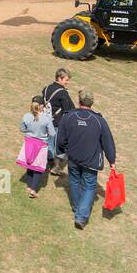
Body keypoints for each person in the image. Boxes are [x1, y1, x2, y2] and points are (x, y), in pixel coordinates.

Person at [55, 90, 117, 230]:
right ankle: (81, 216)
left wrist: (64, 150)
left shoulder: (69, 117)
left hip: (73, 158)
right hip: (91, 161)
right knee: (89, 186)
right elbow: (108, 142)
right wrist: (112, 160)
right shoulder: (99, 121)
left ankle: (77, 208)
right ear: (92, 103)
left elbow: (60, 139)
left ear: (79, 101)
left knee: (74, 181)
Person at [19, 95, 55, 198]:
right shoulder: (46, 118)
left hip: (29, 143)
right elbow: (52, 134)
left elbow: (22, 129)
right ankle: (33, 190)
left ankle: (29, 186)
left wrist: (30, 132)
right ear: (42, 105)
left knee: (30, 165)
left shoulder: (26, 116)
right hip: (41, 145)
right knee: (38, 167)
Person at [42, 69, 74, 174]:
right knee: (55, 145)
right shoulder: (63, 93)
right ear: (59, 78)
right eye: (66, 80)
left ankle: (44, 163)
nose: (67, 82)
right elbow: (68, 109)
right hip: (56, 122)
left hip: (44, 120)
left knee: (45, 142)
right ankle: (55, 167)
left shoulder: (46, 89)